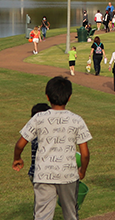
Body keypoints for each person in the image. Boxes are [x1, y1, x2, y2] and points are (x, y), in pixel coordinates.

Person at [12, 76, 92, 220]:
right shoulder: (76, 120)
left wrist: (17, 158)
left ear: (47, 96)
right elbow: (85, 154)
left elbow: (20, 144)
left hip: (43, 174)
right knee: (71, 214)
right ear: (69, 98)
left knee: (42, 215)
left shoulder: (38, 118)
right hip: (68, 175)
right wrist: (82, 170)